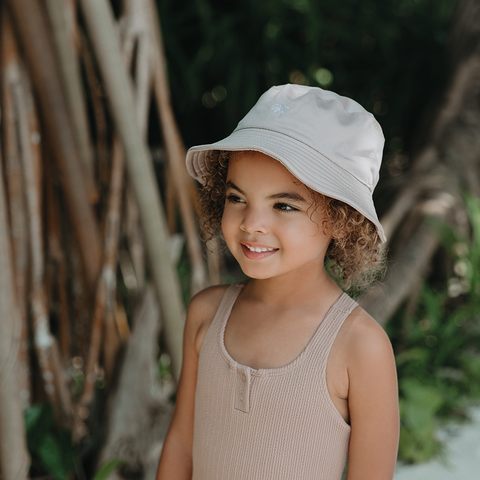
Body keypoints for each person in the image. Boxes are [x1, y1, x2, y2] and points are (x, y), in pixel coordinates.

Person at [156, 84, 399, 480]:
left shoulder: (360, 347)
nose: (252, 223)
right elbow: (183, 443)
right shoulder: (206, 314)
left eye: (283, 205)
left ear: (340, 218)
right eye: (237, 198)